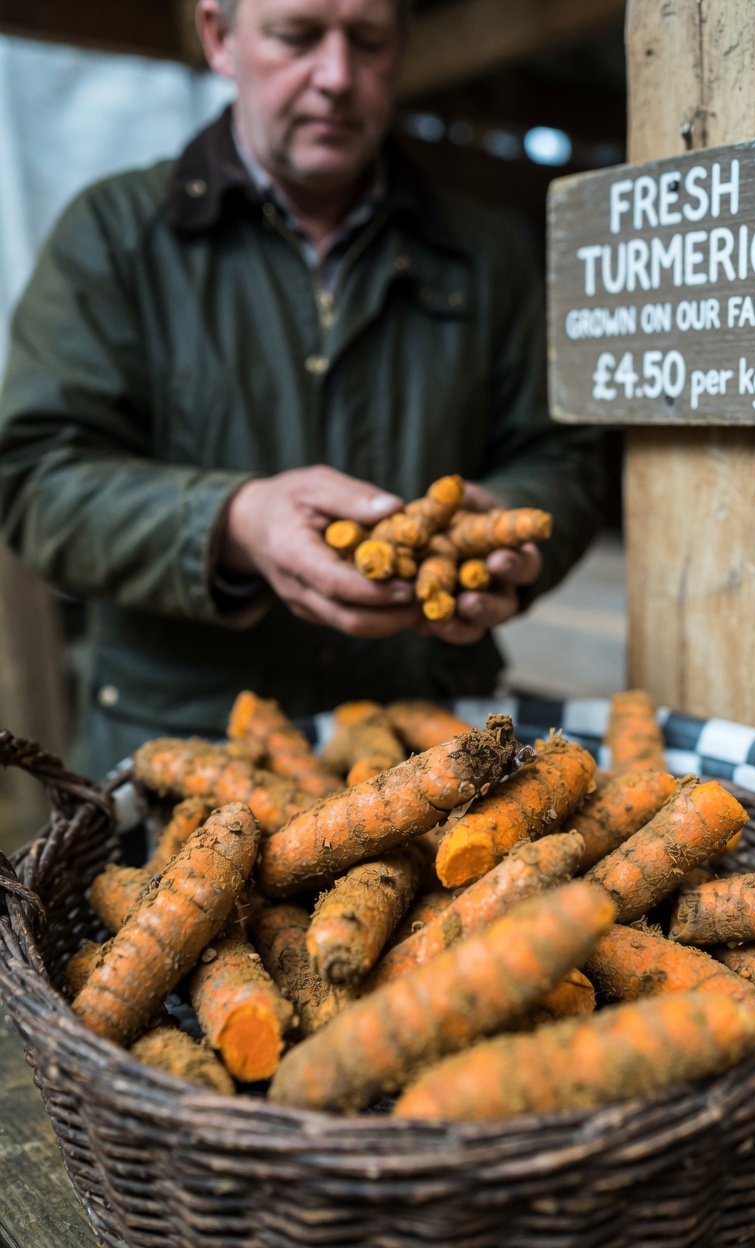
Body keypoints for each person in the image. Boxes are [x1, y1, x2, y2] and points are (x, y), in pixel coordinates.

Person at [0, 0, 603, 778]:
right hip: (187, 752)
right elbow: (36, 477)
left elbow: (563, 458)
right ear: (220, 36)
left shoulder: (487, 255)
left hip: (427, 749)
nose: (337, 76)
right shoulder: (114, 237)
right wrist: (233, 520)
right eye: (296, 36)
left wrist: (510, 538)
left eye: (369, 40)